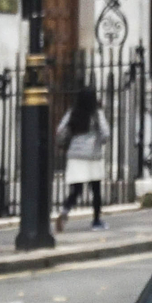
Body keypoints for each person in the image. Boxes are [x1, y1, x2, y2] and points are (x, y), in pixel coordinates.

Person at [55, 87, 108, 231]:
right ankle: (96, 221)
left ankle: (65, 211)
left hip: (75, 155)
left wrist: (64, 143)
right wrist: (99, 142)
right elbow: (105, 133)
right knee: (95, 190)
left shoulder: (73, 112)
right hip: (92, 155)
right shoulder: (96, 113)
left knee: (76, 190)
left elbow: (60, 130)